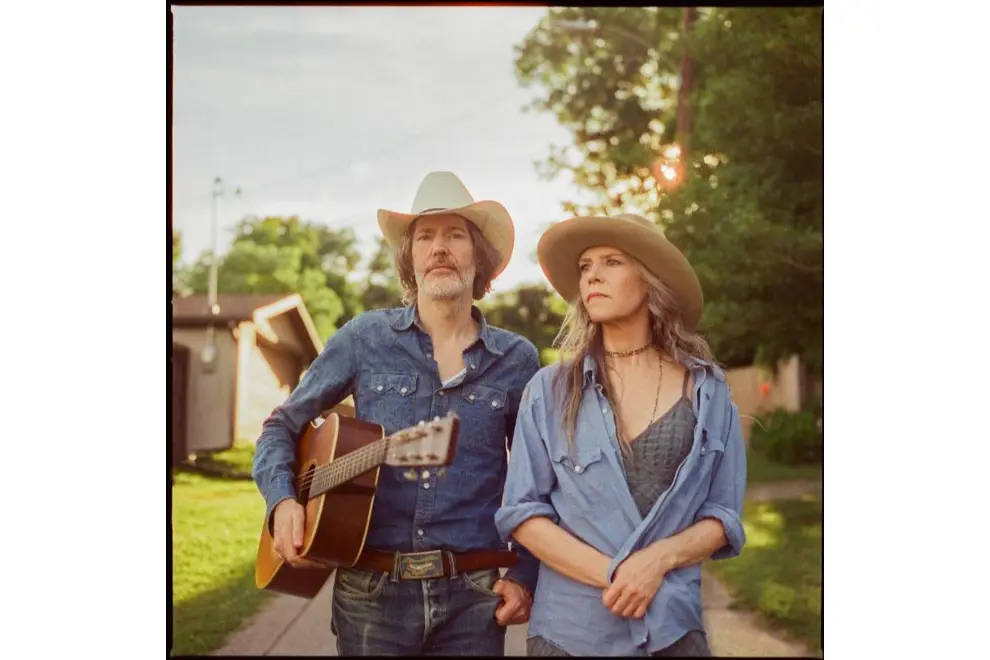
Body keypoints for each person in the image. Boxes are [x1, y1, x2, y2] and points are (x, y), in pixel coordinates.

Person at [252, 171, 542, 656]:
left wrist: (526, 572)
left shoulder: (517, 360)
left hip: (473, 597)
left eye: (455, 235)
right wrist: (283, 500)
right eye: (425, 237)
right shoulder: (364, 339)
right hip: (370, 595)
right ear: (410, 258)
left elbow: (537, 478)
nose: (439, 247)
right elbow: (281, 427)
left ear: (480, 257)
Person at [494, 213, 747, 657]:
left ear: (650, 281)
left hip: (673, 630)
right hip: (571, 635)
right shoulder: (549, 390)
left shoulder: (707, 390)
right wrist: (617, 575)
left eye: (611, 262)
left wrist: (658, 561)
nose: (592, 275)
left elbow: (722, 515)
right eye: (586, 266)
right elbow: (523, 514)